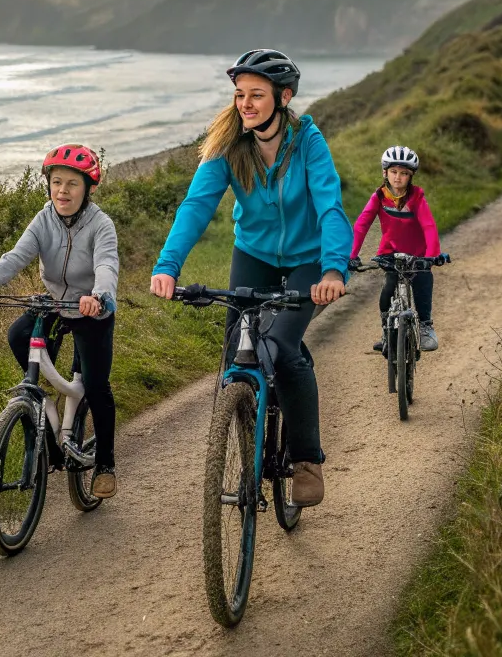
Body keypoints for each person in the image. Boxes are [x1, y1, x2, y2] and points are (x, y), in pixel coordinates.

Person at [149, 48, 352, 507]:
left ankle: (305, 460)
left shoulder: (308, 142)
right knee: (235, 354)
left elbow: (331, 208)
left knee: (281, 346)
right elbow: (196, 206)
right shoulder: (226, 142)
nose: (245, 103)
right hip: (253, 254)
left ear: (283, 97)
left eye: (256, 95)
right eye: (240, 94)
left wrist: (334, 269)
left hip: (307, 260)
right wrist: (167, 265)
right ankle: (236, 431)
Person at [0, 143, 120, 499]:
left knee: (96, 386)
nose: (62, 191)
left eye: (72, 184)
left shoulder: (101, 225)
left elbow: (107, 265)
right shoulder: (44, 218)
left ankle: (106, 464)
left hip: (91, 308)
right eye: (56, 182)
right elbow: (16, 257)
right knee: (18, 335)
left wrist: (98, 296)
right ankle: (42, 411)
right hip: (53, 303)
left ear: (89, 189)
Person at [348, 145, 442, 353]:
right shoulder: (379, 197)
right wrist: (352, 255)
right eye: (393, 172)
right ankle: (387, 331)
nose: (398, 178)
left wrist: (431, 256)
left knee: (422, 281)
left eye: (404, 173)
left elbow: (429, 226)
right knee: (388, 289)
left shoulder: (416, 198)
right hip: (390, 252)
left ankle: (426, 327)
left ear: (411, 176)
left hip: (417, 254)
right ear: (385, 173)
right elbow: (362, 224)